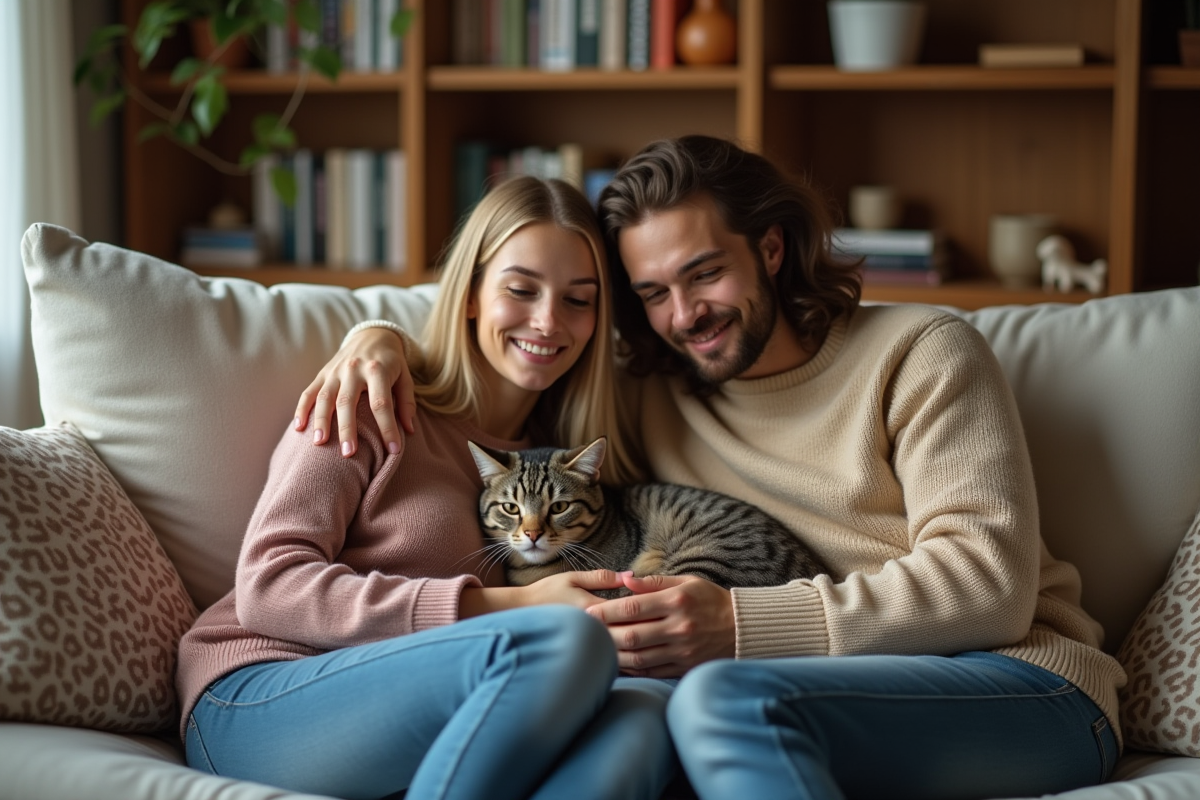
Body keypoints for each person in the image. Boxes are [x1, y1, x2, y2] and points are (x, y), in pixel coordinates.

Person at [298, 136, 1126, 800]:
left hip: (1019, 683)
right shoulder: (646, 386)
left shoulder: (924, 353)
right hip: (817, 685)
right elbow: (511, 330)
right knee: (629, 727)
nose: (685, 315)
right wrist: (377, 340)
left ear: (770, 248)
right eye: (652, 293)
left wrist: (739, 624)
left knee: (721, 701)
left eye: (704, 274)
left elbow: (988, 585)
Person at [175, 175, 675, 800]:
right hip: (261, 691)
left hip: (448, 693)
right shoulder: (370, 397)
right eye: (521, 289)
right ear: (470, 295)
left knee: (645, 714)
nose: (548, 321)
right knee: (564, 643)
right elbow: (267, 588)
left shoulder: (562, 466)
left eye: (578, 299)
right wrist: (513, 605)